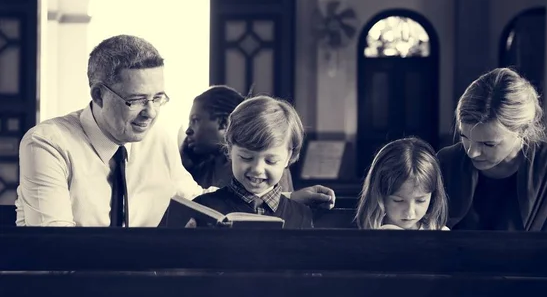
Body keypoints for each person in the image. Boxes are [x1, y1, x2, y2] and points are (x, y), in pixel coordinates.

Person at [14, 35, 334, 227]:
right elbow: (54, 246)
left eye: (158, 98)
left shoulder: (156, 137)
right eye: (136, 100)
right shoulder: (48, 143)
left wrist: (286, 198)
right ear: (98, 95)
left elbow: (196, 199)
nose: (150, 113)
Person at [437, 67, 547, 232]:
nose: (472, 152)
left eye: (488, 144)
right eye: (465, 137)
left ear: (523, 130)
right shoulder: (446, 161)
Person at [194, 95, 313, 229]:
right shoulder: (203, 208)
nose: (257, 169)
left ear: (288, 157)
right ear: (230, 149)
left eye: (270, 161)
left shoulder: (302, 215)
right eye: (246, 157)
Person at [181, 85, 293, 191]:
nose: (188, 130)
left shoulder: (269, 168)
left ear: (224, 123)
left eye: (195, 120)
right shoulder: (204, 168)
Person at [355, 137, 449, 230]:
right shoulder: (371, 233)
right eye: (398, 200)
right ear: (379, 195)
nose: (410, 213)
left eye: (420, 201)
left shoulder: (439, 233)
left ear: (433, 197)